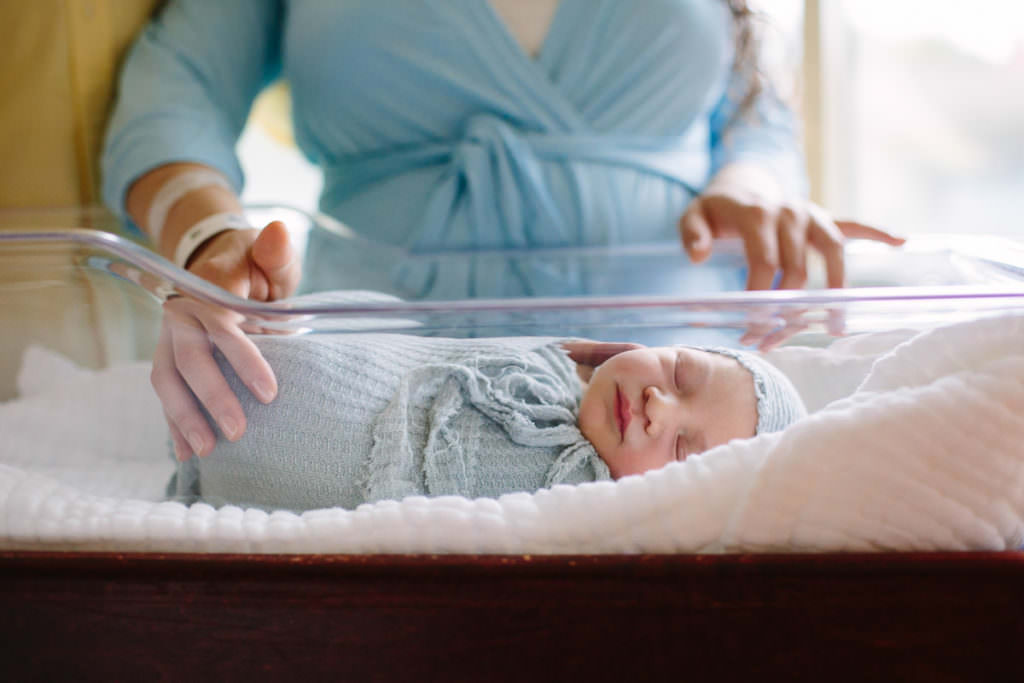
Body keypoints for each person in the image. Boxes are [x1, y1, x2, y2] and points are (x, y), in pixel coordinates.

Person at [102, 0, 902, 461]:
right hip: (377, 410)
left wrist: (752, 188)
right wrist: (209, 240)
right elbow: (176, 90)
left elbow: (755, 110)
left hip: (694, 438)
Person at [169, 330, 806, 512]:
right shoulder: (556, 361)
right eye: (680, 373)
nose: (658, 405)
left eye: (682, 449)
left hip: (255, 465)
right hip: (228, 369)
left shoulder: (580, 504)